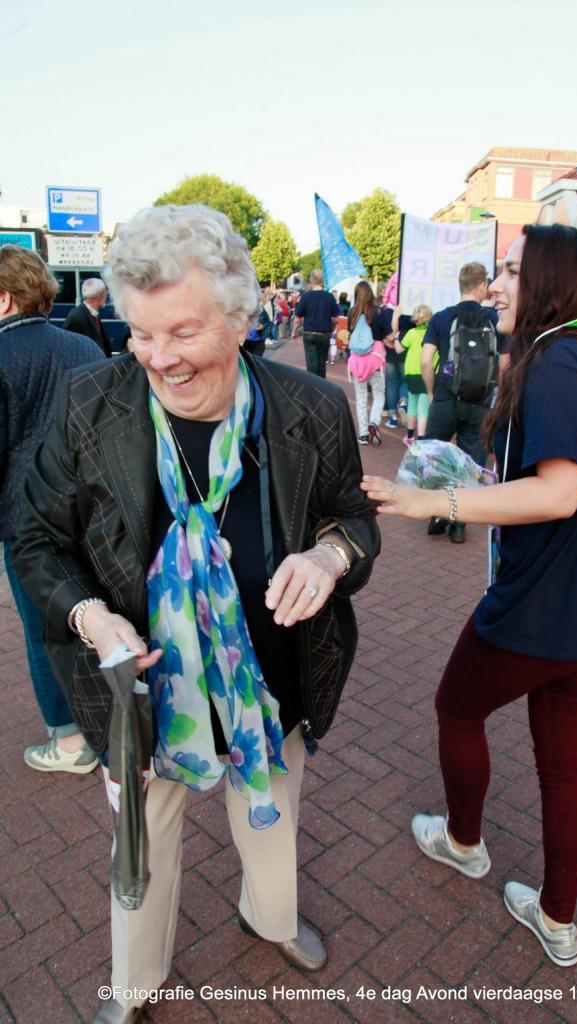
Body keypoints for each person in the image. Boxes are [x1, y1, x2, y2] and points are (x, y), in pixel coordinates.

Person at [14, 205, 380, 1024]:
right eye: (141, 334)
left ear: (242, 317)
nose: (158, 358)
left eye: (182, 332)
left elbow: (352, 519)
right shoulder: (88, 402)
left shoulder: (312, 407)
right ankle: (136, 983)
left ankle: (270, 919)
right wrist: (89, 617)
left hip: (271, 683)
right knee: (140, 847)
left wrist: (329, 559)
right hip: (142, 697)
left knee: (273, 823)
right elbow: (35, 537)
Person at [362, 224, 577, 970]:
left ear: (548, 280)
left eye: (513, 271)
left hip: (542, 604)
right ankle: (557, 919)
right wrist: (488, 485)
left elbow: (558, 493)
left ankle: (464, 843)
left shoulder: (556, 363)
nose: (496, 284)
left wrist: (436, 502)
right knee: (563, 763)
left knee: (457, 709)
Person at [0, 245, 102, 772]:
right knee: (92, 613)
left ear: (4, 299)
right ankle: (105, 718)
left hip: (25, 521)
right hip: (90, 509)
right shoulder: (83, 347)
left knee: (45, 628)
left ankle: (68, 742)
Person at [420, 261, 500, 543]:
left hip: (446, 396)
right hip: (479, 402)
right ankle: (459, 525)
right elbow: (505, 363)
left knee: (435, 456)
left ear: (460, 284)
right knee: (470, 464)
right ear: (482, 285)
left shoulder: (442, 318)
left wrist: (432, 392)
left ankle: (437, 511)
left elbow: (426, 360)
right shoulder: (494, 319)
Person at [347, 281, 393, 446]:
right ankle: (374, 421)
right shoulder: (379, 312)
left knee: (361, 397)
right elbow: (388, 336)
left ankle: (363, 434)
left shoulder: (352, 313)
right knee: (379, 394)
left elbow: (350, 334)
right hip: (375, 359)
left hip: (357, 361)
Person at [395, 304, 433, 445]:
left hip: (411, 373)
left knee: (412, 406)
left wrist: (396, 337)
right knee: (423, 408)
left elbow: (399, 349)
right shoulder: (432, 333)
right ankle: (421, 439)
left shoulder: (411, 333)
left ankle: (410, 437)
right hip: (427, 373)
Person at [292, 269, 338, 378]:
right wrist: (330, 325)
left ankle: (312, 386)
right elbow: (336, 318)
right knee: (321, 366)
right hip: (324, 335)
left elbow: (297, 318)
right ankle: (321, 386)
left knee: (312, 366)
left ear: (312, 280)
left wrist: (294, 331)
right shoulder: (329, 297)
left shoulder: (306, 296)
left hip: (309, 334)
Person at [64, 278, 113, 356]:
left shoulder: (92, 314)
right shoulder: (76, 317)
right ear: (99, 295)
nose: (106, 296)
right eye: (105, 293)